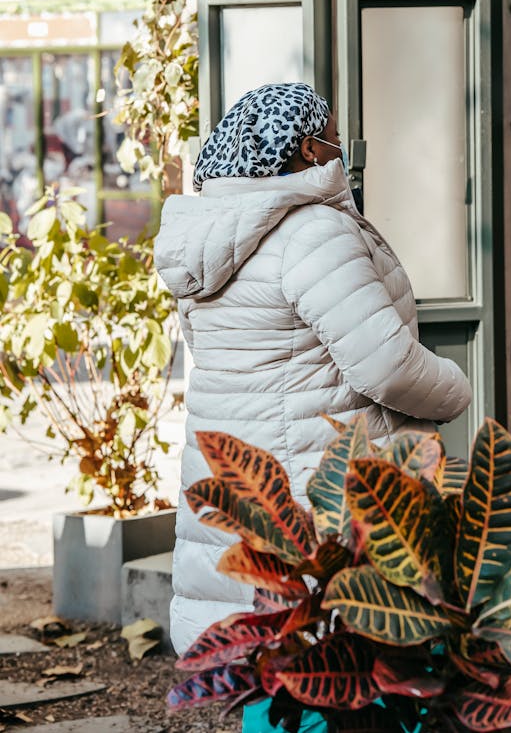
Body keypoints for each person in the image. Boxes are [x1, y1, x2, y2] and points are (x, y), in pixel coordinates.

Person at [155, 82, 472, 655]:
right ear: (308, 151)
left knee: (261, 658)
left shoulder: (202, 236)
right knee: (331, 660)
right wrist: (455, 390)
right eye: (331, 136)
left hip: (234, 471)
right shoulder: (311, 232)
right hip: (313, 480)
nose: (339, 147)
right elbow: (387, 367)